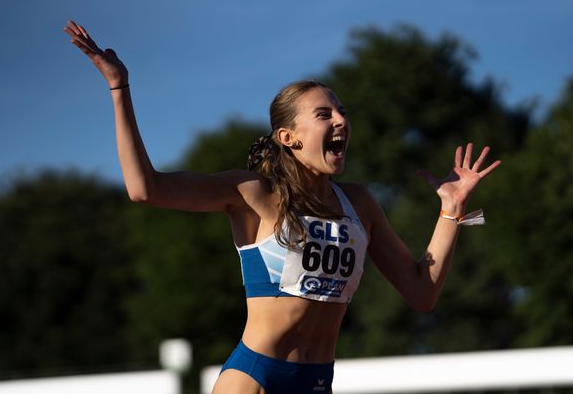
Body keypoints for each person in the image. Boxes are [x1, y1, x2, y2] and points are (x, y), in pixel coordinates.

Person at [64, 20, 501, 394]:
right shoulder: (253, 193)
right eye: (324, 114)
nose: (341, 121)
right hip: (255, 378)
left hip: (317, 382)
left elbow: (421, 292)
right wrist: (118, 87)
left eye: (342, 112)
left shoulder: (360, 203)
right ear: (288, 137)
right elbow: (146, 189)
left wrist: (451, 209)